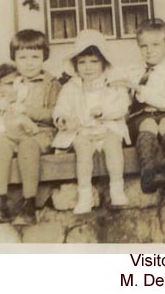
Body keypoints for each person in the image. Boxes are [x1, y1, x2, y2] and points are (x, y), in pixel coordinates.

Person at [0, 29, 61, 225]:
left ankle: (29, 204)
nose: (29, 62)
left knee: (28, 146)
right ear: (14, 58)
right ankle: (0, 202)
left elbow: (55, 114)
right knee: (0, 145)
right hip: (12, 132)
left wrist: (28, 110)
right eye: (23, 57)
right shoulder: (6, 83)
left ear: (44, 57)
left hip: (41, 133)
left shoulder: (51, 84)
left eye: (35, 57)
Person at [52, 30, 130, 214]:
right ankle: (85, 194)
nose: (88, 67)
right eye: (82, 62)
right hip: (82, 130)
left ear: (104, 63)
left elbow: (122, 106)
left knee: (113, 144)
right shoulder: (71, 87)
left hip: (108, 127)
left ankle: (117, 188)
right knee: (82, 148)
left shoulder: (113, 84)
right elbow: (61, 107)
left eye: (94, 61)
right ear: (75, 65)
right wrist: (62, 119)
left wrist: (105, 113)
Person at [118, 19, 165, 193]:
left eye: (156, 45)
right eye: (144, 46)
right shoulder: (134, 72)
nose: (149, 51)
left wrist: (139, 89)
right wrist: (122, 90)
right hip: (142, 118)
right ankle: (147, 170)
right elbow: (125, 101)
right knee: (147, 124)